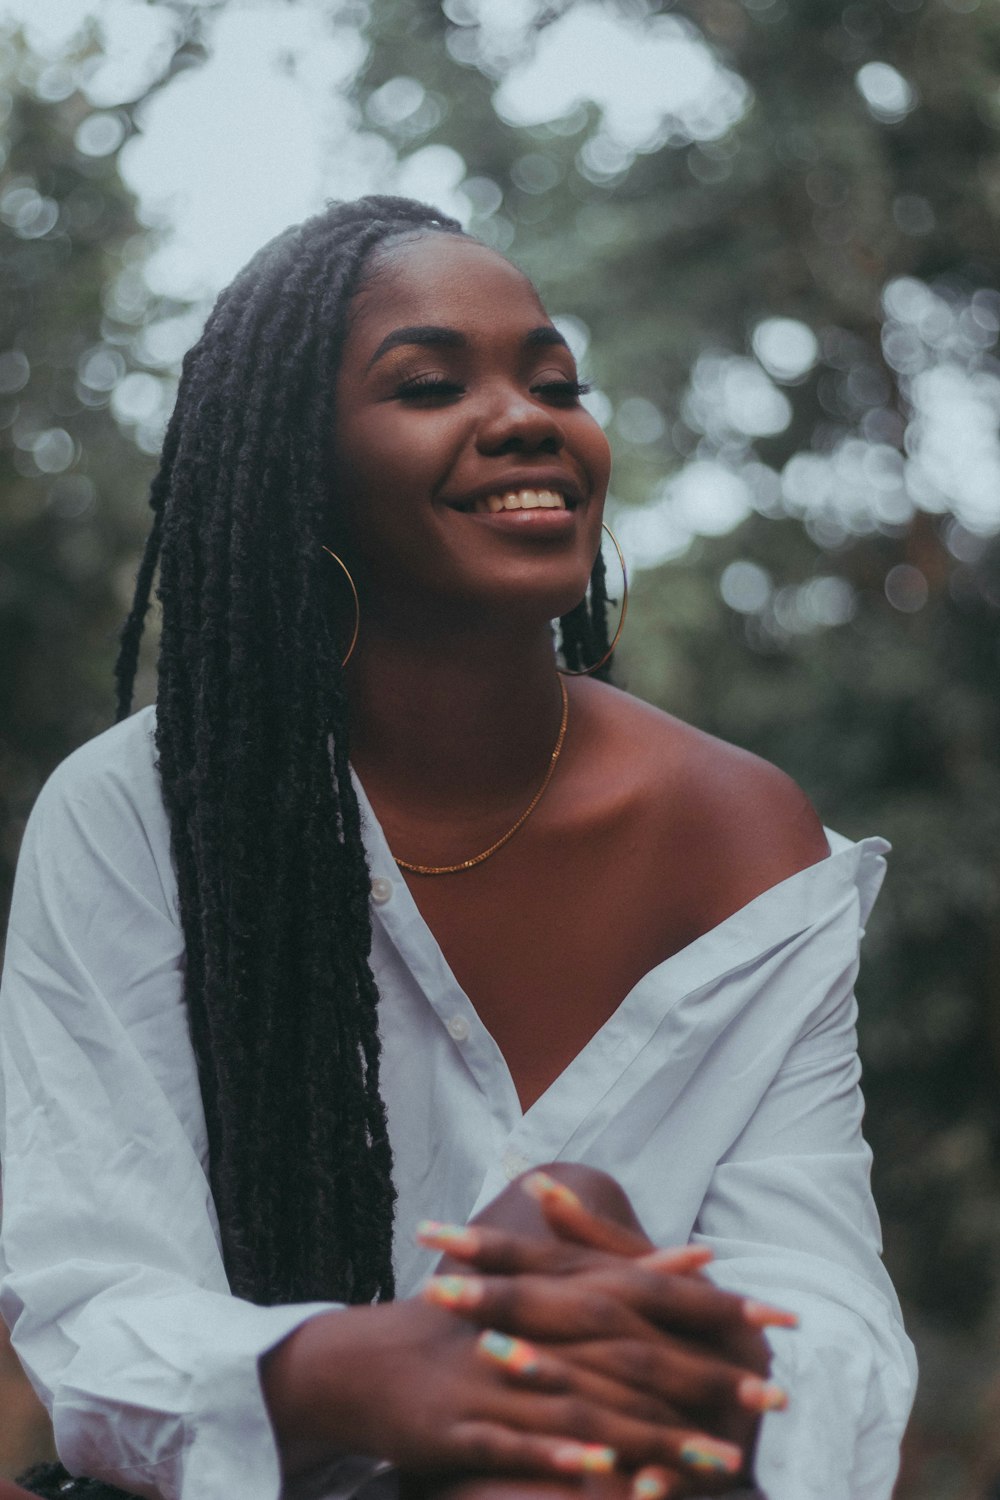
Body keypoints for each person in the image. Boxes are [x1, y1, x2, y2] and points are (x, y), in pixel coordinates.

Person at [0, 195, 916, 1500]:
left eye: (557, 380)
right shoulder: (143, 813)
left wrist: (706, 1357)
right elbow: (96, 1300)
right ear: (294, 467)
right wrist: (363, 1370)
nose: (529, 415)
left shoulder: (740, 832)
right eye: (431, 384)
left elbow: (822, 1289)